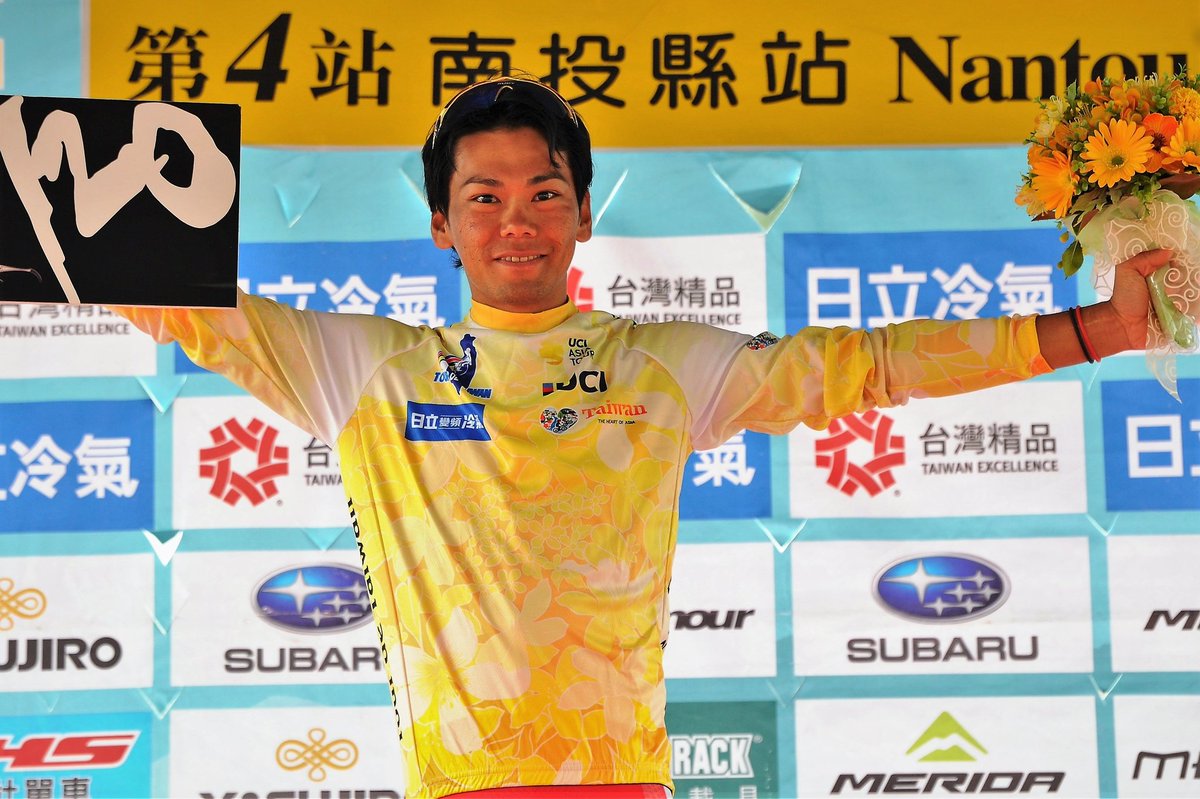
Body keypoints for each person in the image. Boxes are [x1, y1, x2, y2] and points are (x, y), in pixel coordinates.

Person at [114, 75, 1171, 799]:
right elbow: (165, 292)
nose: (515, 219)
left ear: (582, 213)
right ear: (442, 224)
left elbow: (868, 365)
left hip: (624, 779)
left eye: (544, 193)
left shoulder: (658, 364)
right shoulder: (362, 369)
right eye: (483, 197)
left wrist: (1103, 328)